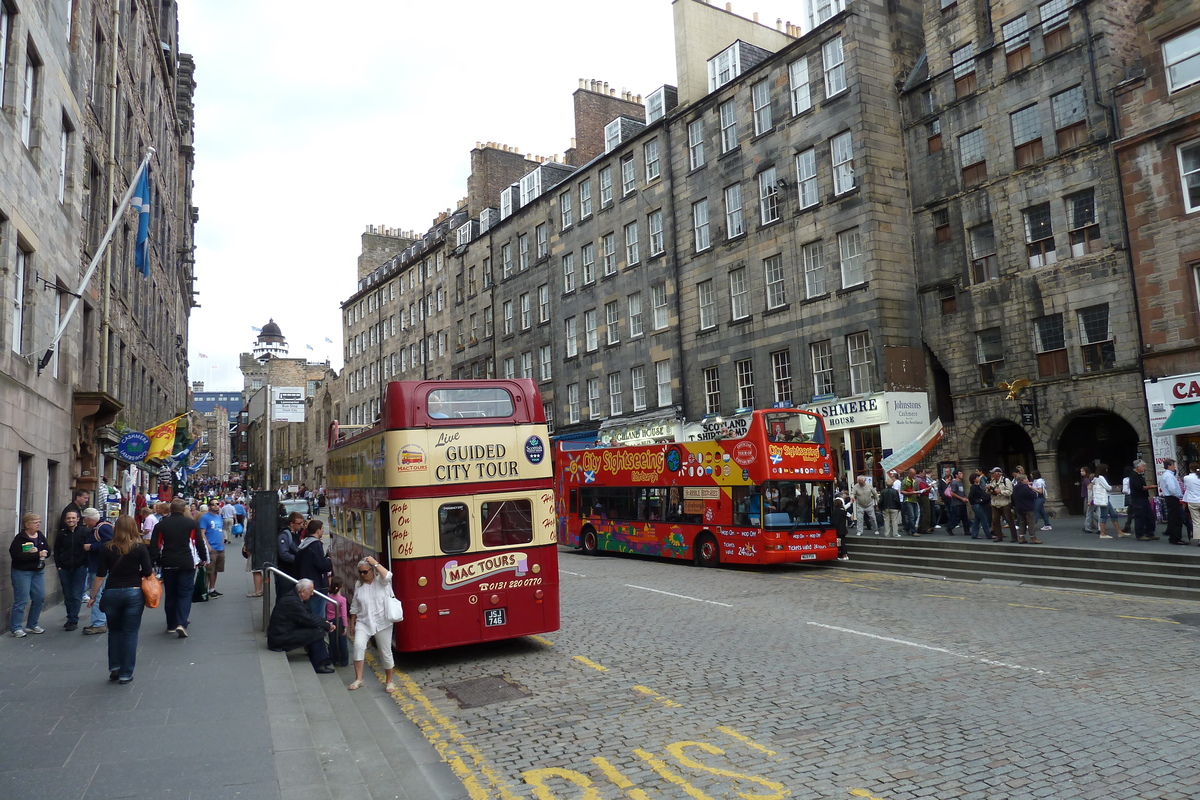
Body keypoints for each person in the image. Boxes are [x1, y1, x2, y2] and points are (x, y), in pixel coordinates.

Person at [86, 515, 152, 684]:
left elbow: (100, 575)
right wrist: (135, 574)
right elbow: (147, 571)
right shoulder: (139, 548)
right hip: (133, 592)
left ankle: (114, 667)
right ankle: (126, 673)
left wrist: (93, 596)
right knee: (130, 633)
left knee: (114, 631)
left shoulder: (107, 548)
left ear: (116, 529)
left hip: (112, 592)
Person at [151, 498, 208, 638]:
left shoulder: (161, 525)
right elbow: (198, 543)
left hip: (168, 562)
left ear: (170, 509)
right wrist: (203, 558)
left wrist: (153, 562)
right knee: (184, 593)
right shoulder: (192, 524)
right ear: (184, 510)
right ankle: (181, 622)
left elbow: (155, 546)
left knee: (171, 594)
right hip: (186, 562)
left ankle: (170, 624)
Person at [348, 556, 397, 692]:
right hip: (364, 621)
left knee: (385, 651)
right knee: (358, 645)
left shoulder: (381, 581)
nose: (363, 575)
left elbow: (388, 575)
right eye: (360, 572)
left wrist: (375, 563)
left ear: (372, 570)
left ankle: (390, 680)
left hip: (382, 621)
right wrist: (352, 623)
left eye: (365, 571)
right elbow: (355, 605)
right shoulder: (359, 585)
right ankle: (359, 678)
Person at [267, 578, 336, 674]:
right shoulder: (293, 602)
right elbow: (308, 619)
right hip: (280, 638)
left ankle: (321, 658)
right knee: (318, 631)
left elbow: (308, 617)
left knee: (316, 628)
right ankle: (319, 664)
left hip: (282, 633)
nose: (312, 594)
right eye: (311, 591)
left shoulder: (295, 597)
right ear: (303, 592)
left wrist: (325, 623)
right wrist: (326, 625)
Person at [9, 512, 48, 636]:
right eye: (35, 522)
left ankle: (32, 624)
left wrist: (43, 552)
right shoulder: (20, 539)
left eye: (39, 522)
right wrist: (36, 554)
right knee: (21, 600)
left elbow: (48, 549)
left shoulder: (40, 536)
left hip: (38, 571)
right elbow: (16, 556)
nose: (38, 524)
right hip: (22, 572)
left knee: (39, 597)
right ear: (27, 525)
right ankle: (16, 628)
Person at [53, 509, 90, 631]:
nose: (71, 520)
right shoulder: (62, 534)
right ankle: (70, 616)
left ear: (78, 519)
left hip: (80, 568)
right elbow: (57, 551)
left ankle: (73, 620)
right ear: (65, 520)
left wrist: (85, 564)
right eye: (68, 518)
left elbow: (88, 549)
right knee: (67, 595)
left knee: (76, 594)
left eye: (73, 518)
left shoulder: (85, 532)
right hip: (64, 568)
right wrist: (58, 565)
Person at [80, 507, 113, 635]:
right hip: (99, 565)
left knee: (97, 594)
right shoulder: (102, 526)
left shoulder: (102, 528)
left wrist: (91, 546)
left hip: (99, 566)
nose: (85, 523)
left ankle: (99, 623)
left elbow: (109, 543)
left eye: (85, 520)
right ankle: (101, 620)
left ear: (89, 519)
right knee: (100, 593)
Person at [295, 520, 332, 618]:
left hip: (305, 582)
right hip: (317, 585)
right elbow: (321, 564)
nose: (323, 531)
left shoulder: (304, 543)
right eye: (322, 529)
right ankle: (319, 632)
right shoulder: (315, 544)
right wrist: (328, 561)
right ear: (317, 530)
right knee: (318, 614)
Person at [275, 512, 306, 600]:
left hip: (292, 572)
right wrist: (298, 559)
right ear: (291, 524)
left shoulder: (296, 534)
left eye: (302, 523)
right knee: (284, 597)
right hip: (285, 572)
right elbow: (283, 554)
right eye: (299, 523)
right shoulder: (284, 535)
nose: (301, 525)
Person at [200, 503, 227, 597]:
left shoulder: (219, 517)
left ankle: (212, 589)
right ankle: (205, 590)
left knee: (216, 569)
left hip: (220, 547)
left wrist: (223, 541)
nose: (216, 506)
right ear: (209, 506)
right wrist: (207, 545)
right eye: (213, 504)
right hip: (211, 547)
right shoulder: (205, 517)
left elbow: (221, 529)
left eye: (217, 504)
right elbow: (202, 532)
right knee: (209, 570)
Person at [1091, 464, 1125, 539]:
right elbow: (1108, 487)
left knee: (1113, 514)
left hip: (1102, 499)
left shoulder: (1095, 478)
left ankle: (1119, 532)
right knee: (1104, 515)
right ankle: (1102, 533)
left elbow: (1092, 485)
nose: (1107, 470)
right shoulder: (1101, 478)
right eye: (1106, 469)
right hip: (1103, 499)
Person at [1128, 459, 1158, 541]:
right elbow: (1139, 487)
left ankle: (1149, 532)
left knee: (1150, 516)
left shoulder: (1139, 475)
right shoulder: (1134, 476)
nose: (1144, 468)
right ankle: (1140, 534)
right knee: (1140, 517)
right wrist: (1151, 487)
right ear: (1138, 467)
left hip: (1143, 498)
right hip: (1138, 499)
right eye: (1143, 466)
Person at [1159, 458, 1185, 545]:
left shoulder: (1165, 475)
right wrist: (1180, 495)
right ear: (1169, 466)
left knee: (1173, 518)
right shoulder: (1169, 476)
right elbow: (1172, 488)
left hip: (1169, 498)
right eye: (1173, 465)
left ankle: (1173, 537)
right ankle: (1176, 538)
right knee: (1176, 519)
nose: (1174, 467)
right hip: (1172, 498)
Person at [987, 467, 1017, 542]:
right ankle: (998, 536)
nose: (992, 474)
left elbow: (1010, 492)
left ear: (998, 474)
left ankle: (1014, 537)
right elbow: (988, 492)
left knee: (1009, 520)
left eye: (993, 473)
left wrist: (1000, 491)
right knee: (995, 520)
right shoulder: (992, 481)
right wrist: (989, 489)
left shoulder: (1006, 481)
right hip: (995, 503)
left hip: (1005, 503)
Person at [326, 576, 350, 668]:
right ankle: (344, 661)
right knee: (342, 642)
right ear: (341, 587)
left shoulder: (328, 597)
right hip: (339, 621)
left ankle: (334, 659)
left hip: (330, 621)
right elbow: (344, 614)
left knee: (332, 641)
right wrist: (345, 626)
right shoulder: (342, 600)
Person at [1011, 475, 1042, 544]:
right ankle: (1033, 537)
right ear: (1022, 480)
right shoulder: (1026, 487)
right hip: (1028, 507)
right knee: (1031, 522)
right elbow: (1033, 495)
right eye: (1026, 479)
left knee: (1022, 522)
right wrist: (1032, 489)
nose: (1027, 480)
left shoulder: (1015, 487)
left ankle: (1021, 537)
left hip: (1019, 507)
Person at [878, 473, 903, 538]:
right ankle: (895, 533)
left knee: (886, 520)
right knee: (894, 520)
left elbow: (881, 500)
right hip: (894, 507)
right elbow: (897, 500)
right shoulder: (895, 491)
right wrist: (899, 507)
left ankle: (887, 534)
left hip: (885, 507)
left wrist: (880, 507)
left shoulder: (883, 491)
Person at [968, 473, 992, 540]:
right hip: (977, 505)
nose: (979, 478)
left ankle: (974, 534)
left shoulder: (977, 486)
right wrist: (974, 502)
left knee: (977, 520)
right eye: (977, 477)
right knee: (984, 519)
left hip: (977, 504)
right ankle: (988, 534)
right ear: (974, 479)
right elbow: (970, 496)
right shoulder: (973, 487)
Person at [900, 468, 921, 536]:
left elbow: (915, 489)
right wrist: (908, 493)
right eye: (913, 474)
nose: (914, 476)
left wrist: (918, 492)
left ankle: (907, 527)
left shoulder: (914, 481)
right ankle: (913, 531)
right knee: (911, 516)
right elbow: (902, 491)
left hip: (914, 500)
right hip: (908, 500)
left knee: (915, 516)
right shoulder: (905, 481)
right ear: (909, 473)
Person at [1079, 467, 1099, 534]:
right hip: (1088, 497)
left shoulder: (1086, 479)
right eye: (1081, 471)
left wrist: (1089, 500)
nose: (1081, 472)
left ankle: (1090, 525)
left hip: (1088, 497)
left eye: (1082, 471)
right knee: (1089, 511)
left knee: (1088, 512)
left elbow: (1089, 489)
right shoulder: (1086, 479)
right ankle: (1096, 522)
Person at [1184, 463, 1200, 546]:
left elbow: (1186, 488)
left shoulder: (1187, 478)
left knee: (1196, 521)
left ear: (1190, 469)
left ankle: (1199, 540)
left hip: (1193, 501)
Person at [834, 491, 851, 560]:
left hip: (839, 530)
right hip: (843, 529)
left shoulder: (836, 511)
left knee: (840, 543)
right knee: (843, 542)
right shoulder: (843, 511)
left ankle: (843, 555)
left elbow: (836, 521)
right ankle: (845, 555)